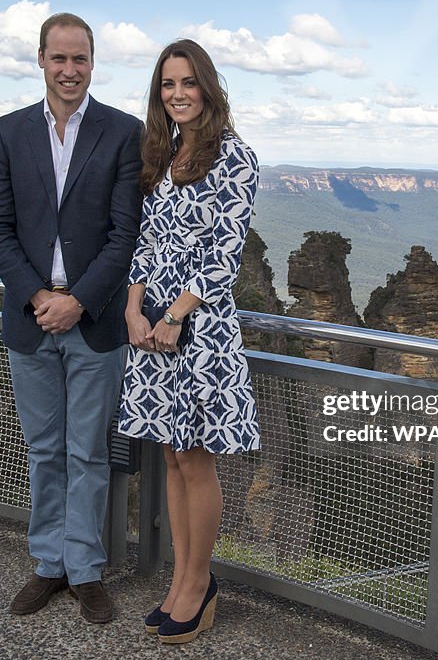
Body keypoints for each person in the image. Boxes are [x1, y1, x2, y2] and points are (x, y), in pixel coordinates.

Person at [0, 12, 142, 624]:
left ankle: (87, 570)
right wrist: (37, 297)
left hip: (94, 320)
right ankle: (49, 565)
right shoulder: (8, 133)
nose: (69, 70)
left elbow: (126, 232)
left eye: (80, 59)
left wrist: (79, 300)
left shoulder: (122, 133)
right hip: (30, 319)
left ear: (93, 63)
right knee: (45, 450)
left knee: (89, 453)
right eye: (59, 58)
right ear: (40, 60)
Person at [117, 39, 260, 644]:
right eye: (167, 85)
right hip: (152, 326)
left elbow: (223, 255)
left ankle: (199, 585)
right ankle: (180, 580)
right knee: (171, 458)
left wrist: (175, 314)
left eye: (187, 83)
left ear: (208, 86)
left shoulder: (236, 157)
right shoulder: (166, 153)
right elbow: (147, 242)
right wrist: (132, 307)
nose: (177, 94)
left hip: (199, 330)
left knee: (196, 461)